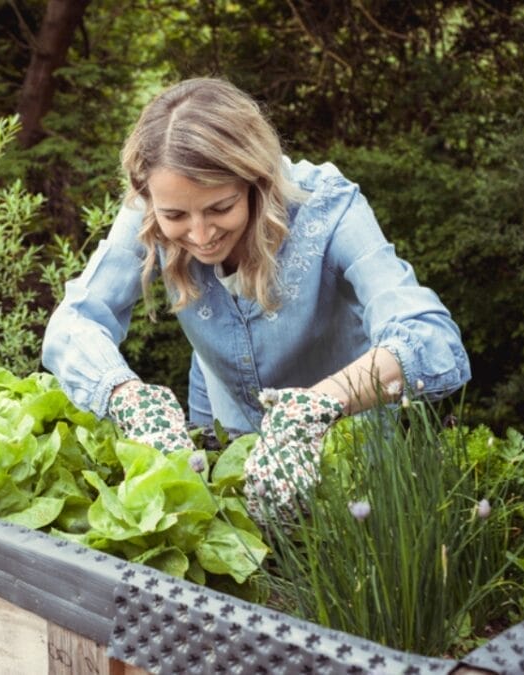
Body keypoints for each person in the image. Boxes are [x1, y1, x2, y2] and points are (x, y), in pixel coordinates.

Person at [41, 77, 471, 525]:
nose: (200, 235)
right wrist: (126, 396)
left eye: (220, 208)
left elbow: (431, 337)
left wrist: (315, 408)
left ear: (255, 182)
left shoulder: (328, 206)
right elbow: (74, 322)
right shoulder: (151, 209)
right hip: (223, 433)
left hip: (348, 454)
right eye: (175, 216)